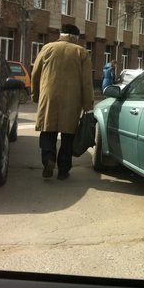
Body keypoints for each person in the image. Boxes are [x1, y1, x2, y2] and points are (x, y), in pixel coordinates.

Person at [31, 24, 94, 180]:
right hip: (72, 101)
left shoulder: (47, 48)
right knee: (68, 136)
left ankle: (48, 159)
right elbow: (87, 82)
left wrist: (36, 95)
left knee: (48, 131)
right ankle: (63, 170)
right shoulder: (81, 52)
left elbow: (35, 73)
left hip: (49, 97)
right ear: (74, 37)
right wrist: (88, 105)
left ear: (61, 35)